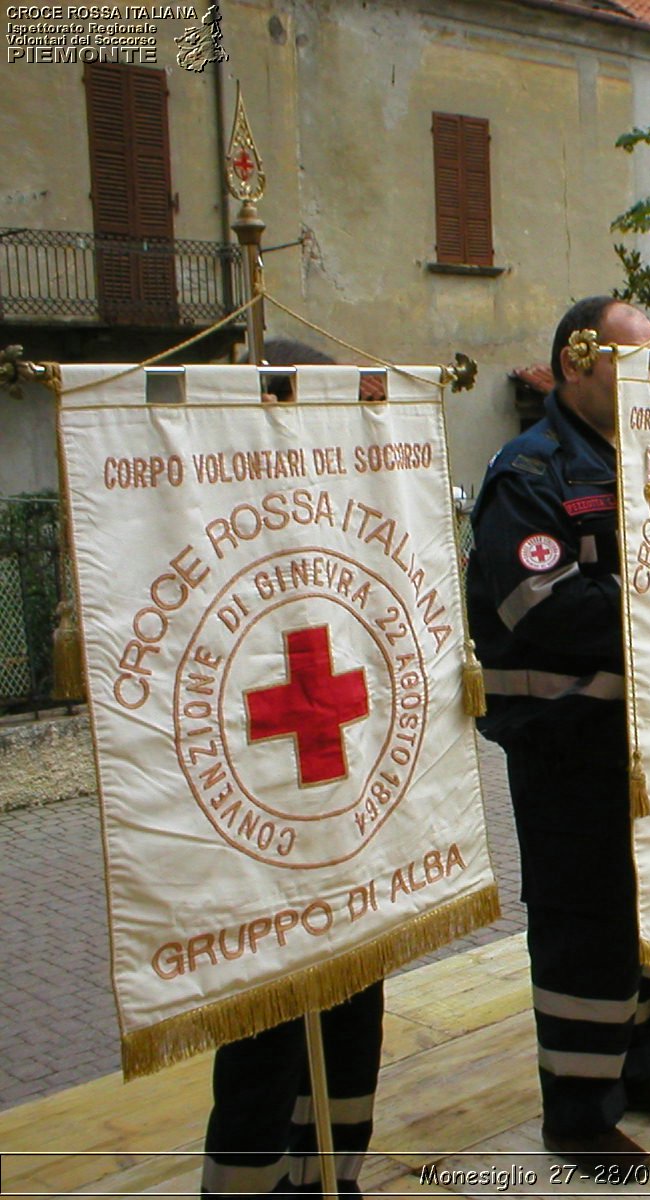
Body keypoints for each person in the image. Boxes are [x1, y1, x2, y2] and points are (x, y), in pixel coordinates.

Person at [466, 297, 650, 1172]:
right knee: (585, 922)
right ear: (579, 361)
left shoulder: (649, 458)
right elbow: (538, 607)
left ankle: (639, 1066)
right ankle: (577, 1110)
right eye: (636, 361)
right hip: (570, 746)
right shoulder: (528, 473)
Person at [201, 339, 386, 1200]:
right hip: (259, 834)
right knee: (265, 1037)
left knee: (353, 1015)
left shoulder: (350, 504)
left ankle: (332, 1179)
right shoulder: (200, 512)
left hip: (349, 809)